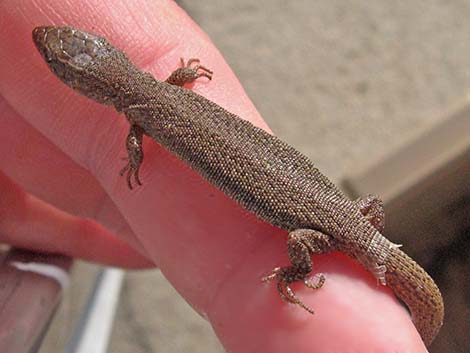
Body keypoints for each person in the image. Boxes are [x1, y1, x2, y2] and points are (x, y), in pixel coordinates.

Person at [0, 1, 428, 351]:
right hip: (350, 214)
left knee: (299, 241)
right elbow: (181, 77)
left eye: (57, 66)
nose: (50, 51)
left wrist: (135, 161)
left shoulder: (138, 119)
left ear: (85, 86)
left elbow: (136, 145)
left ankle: (295, 276)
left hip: (320, 230)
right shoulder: (161, 88)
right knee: (361, 218)